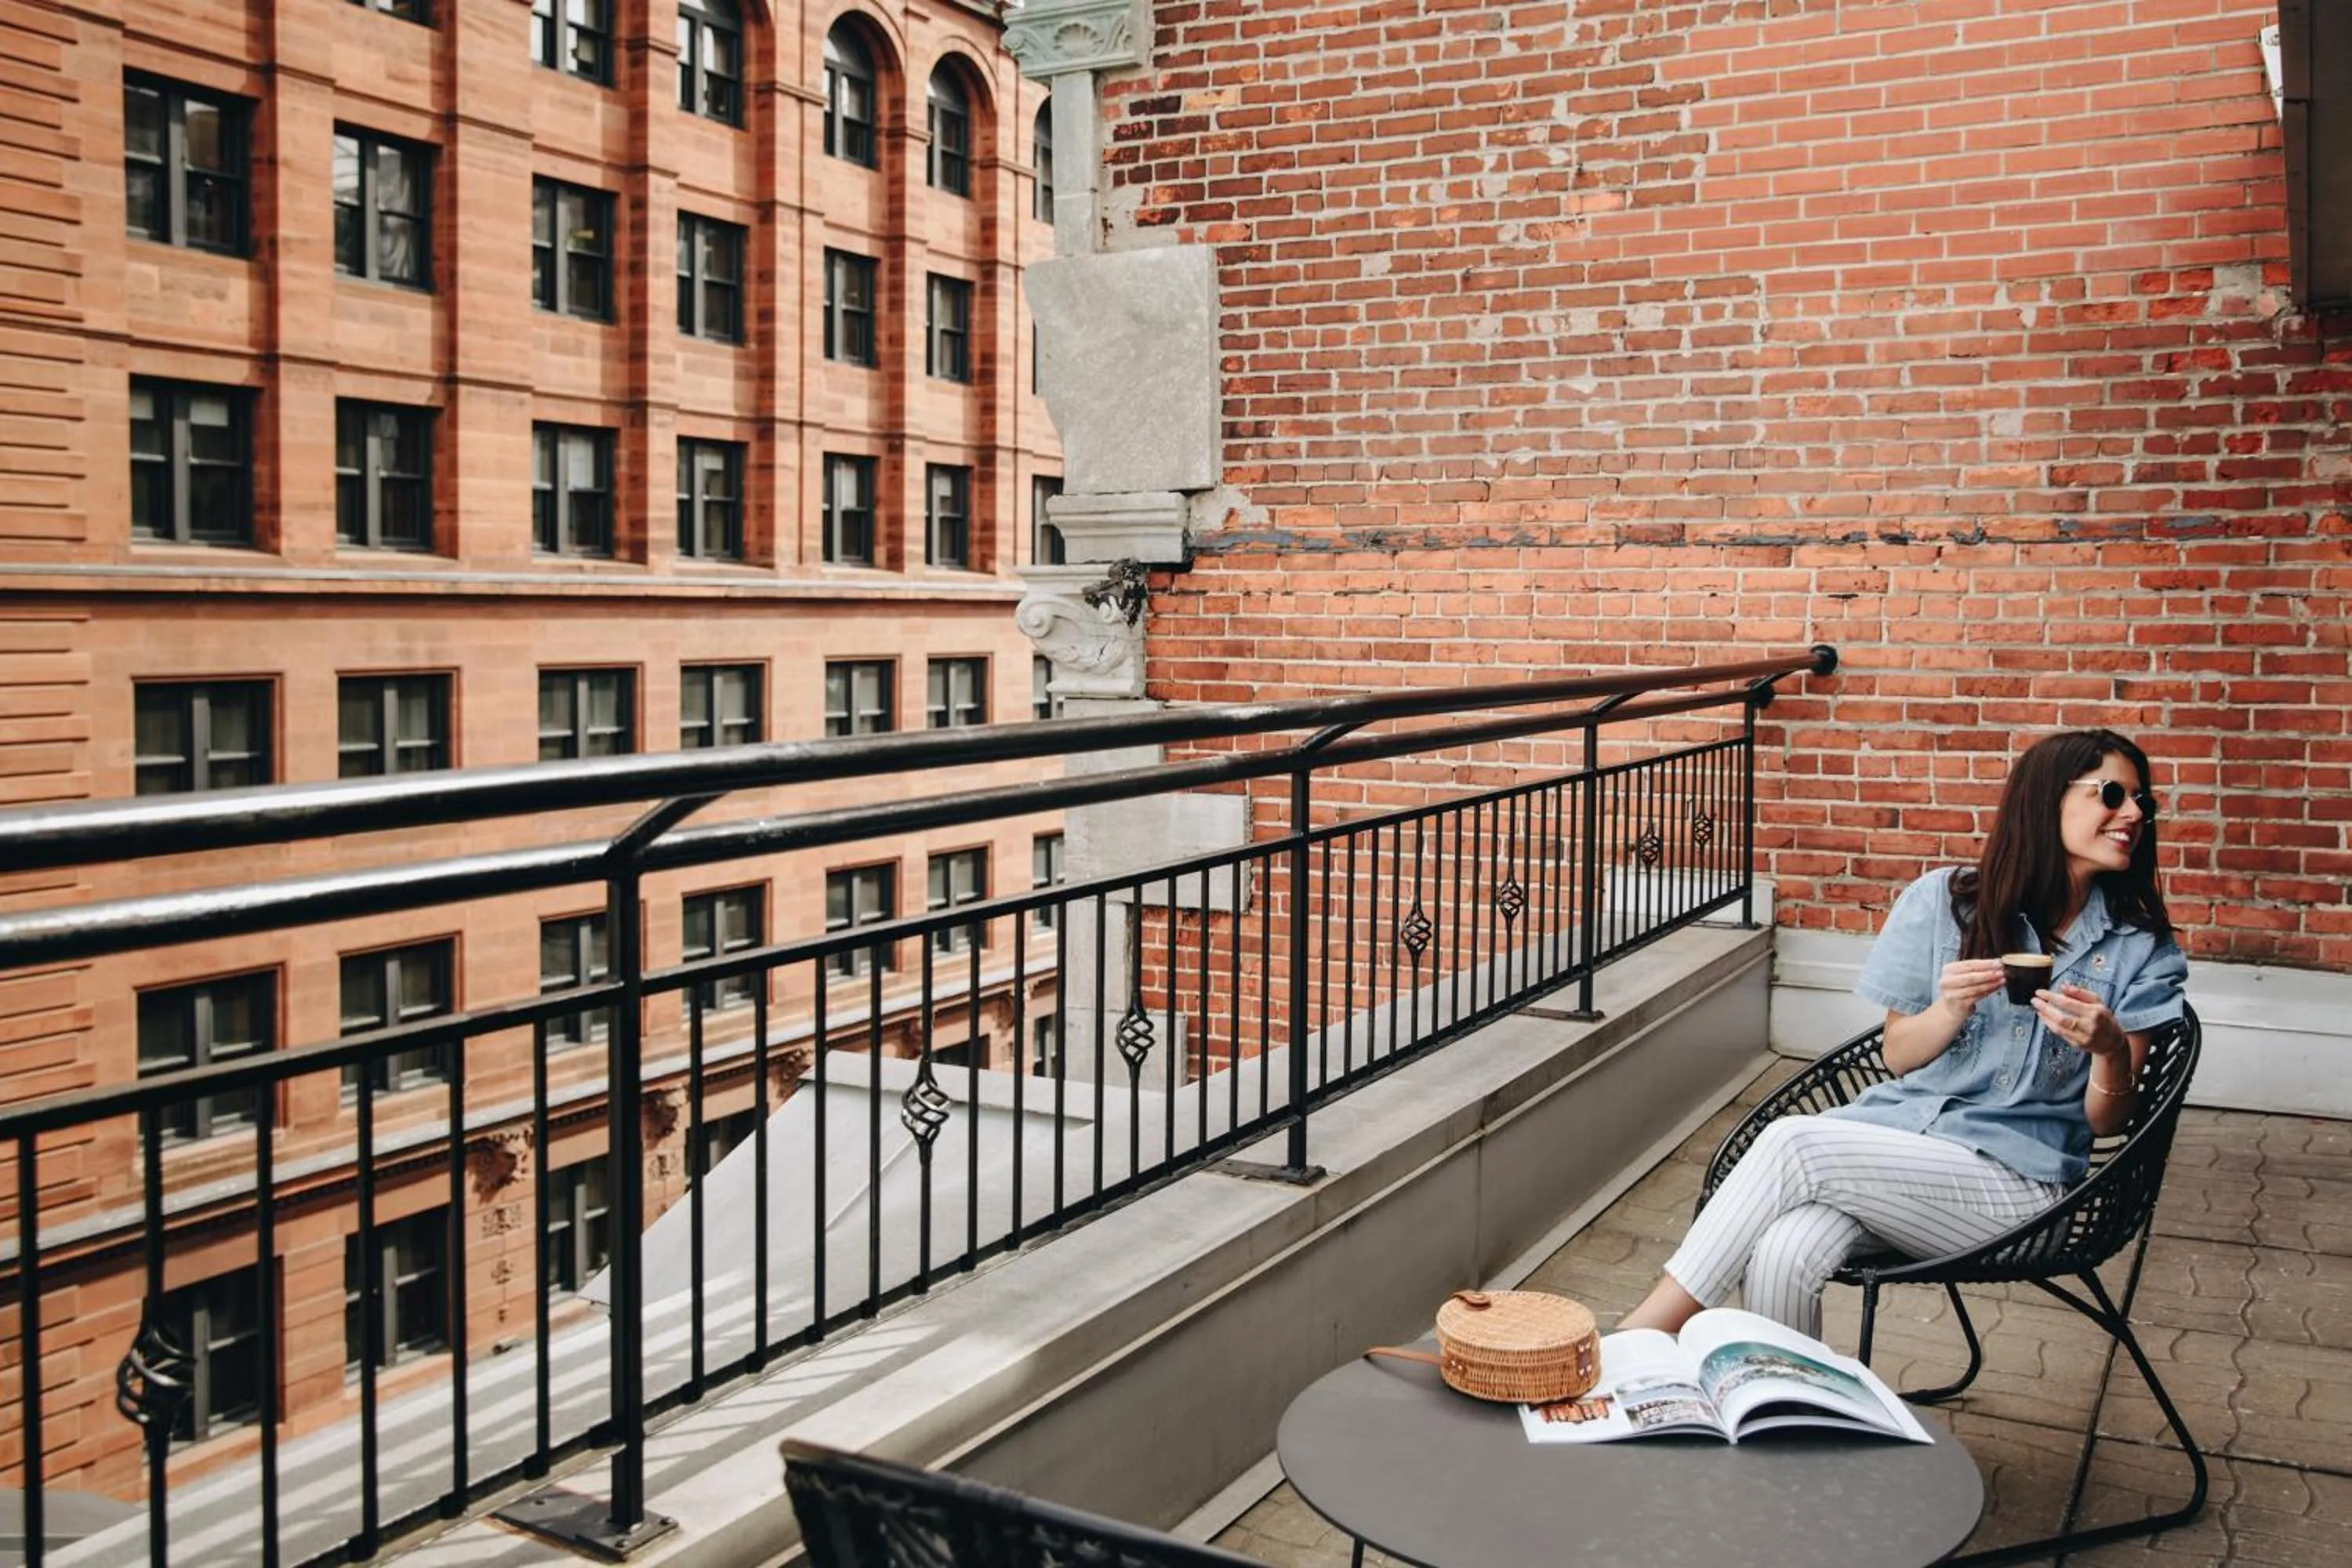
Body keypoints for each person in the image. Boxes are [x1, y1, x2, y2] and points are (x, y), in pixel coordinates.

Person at [1617, 729, 2188, 1341]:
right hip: (1899, 1147)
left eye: (2141, 801)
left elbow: (2109, 1121)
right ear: (2045, 800)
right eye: (2111, 794)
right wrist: (1950, 1007)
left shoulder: (2140, 948)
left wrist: (2108, 1049)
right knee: (1785, 1249)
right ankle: (1787, 1403)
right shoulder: (1945, 901)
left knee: (1793, 1143)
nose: (2133, 814)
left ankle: (1633, 1343)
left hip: (2023, 1188)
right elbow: (1897, 1056)